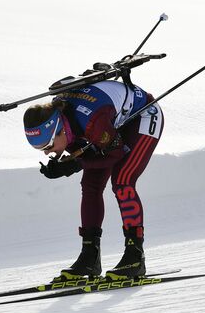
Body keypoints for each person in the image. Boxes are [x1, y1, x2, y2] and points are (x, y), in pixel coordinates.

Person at [23, 79, 163, 281]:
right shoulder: (66, 122)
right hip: (111, 123)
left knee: (123, 180)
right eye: (40, 149)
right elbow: (87, 152)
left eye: (48, 145)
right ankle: (90, 257)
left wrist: (76, 164)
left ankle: (135, 257)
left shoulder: (91, 121)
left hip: (141, 115)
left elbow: (115, 153)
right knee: (90, 185)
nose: (46, 153)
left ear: (61, 130)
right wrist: (70, 163)